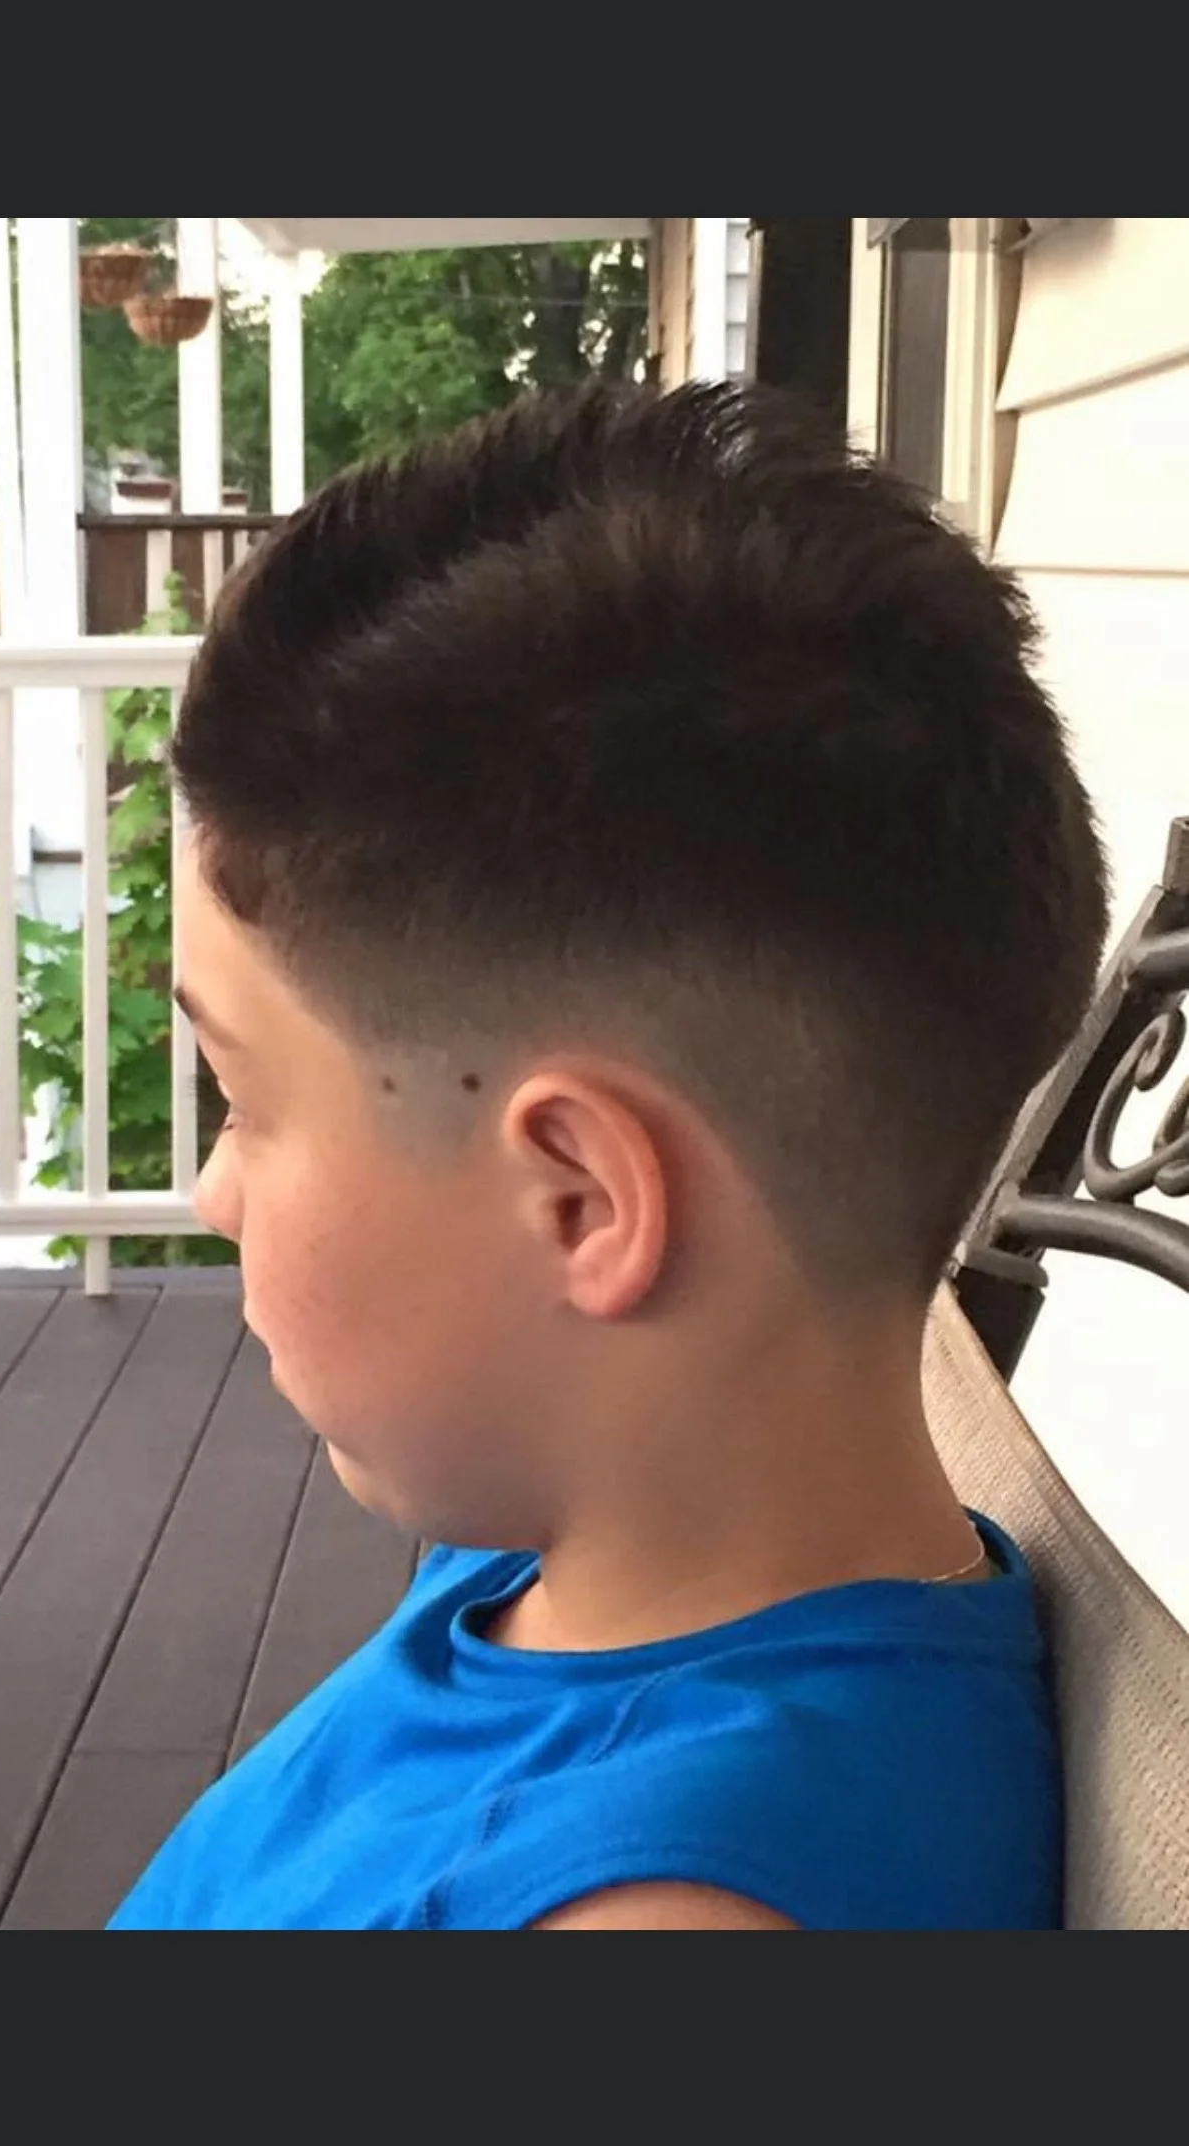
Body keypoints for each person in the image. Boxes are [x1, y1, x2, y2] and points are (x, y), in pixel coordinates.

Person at [107, 379, 1108, 1931]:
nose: (210, 1189)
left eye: (240, 1096)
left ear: (577, 1198)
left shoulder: (666, 1902)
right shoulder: (554, 1565)